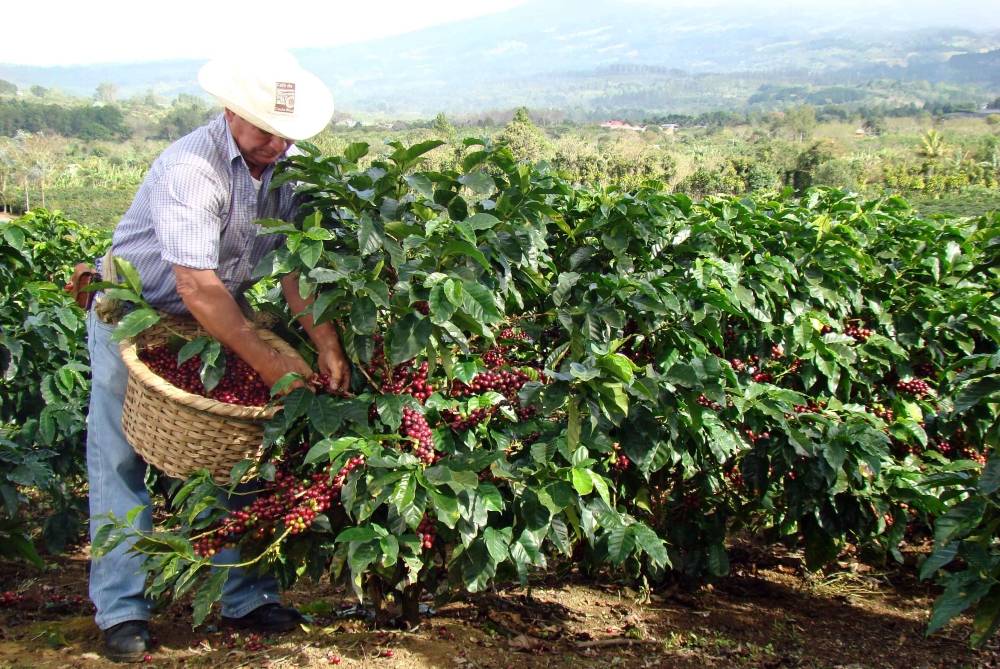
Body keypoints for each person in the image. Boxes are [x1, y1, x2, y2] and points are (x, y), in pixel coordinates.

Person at [86, 51, 350, 662]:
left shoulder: (288, 166)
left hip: (217, 323)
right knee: (119, 463)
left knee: (240, 453)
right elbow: (196, 288)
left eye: (286, 134)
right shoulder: (190, 170)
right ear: (230, 111)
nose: (275, 144)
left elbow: (294, 263)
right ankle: (121, 611)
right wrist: (270, 365)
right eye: (264, 129)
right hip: (135, 317)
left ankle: (248, 598)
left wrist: (325, 341)